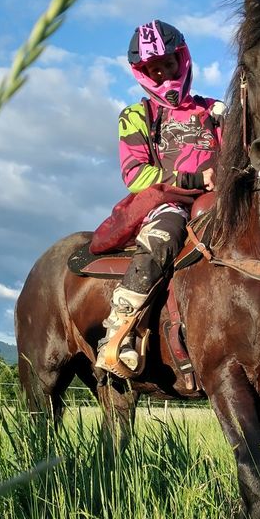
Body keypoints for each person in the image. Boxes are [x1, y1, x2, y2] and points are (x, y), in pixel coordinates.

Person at [95, 19, 225, 375]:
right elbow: (135, 175)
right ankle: (119, 331)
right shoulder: (136, 116)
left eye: (168, 64)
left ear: (181, 60)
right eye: (155, 69)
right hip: (167, 201)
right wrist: (195, 178)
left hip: (219, 200)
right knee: (162, 237)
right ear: (144, 74)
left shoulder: (215, 111)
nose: (165, 74)